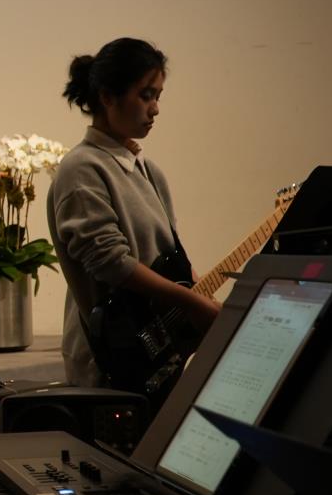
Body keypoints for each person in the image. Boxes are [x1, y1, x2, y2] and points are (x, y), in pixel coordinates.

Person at [45, 38, 219, 389]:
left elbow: (167, 256)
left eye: (158, 96)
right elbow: (110, 262)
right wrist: (190, 301)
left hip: (158, 350)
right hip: (114, 359)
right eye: (145, 95)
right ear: (108, 97)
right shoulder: (82, 167)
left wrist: (198, 289)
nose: (155, 109)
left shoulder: (148, 170)